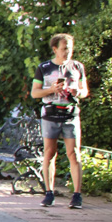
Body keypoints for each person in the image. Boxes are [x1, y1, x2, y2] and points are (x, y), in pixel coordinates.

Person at [32, 33, 88, 209]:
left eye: (70, 49)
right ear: (55, 49)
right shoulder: (44, 67)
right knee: (50, 153)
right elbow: (35, 93)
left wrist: (77, 92)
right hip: (50, 115)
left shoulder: (78, 67)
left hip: (71, 115)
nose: (67, 52)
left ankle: (77, 196)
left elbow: (84, 90)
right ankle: (49, 193)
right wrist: (51, 89)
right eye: (64, 49)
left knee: (74, 153)